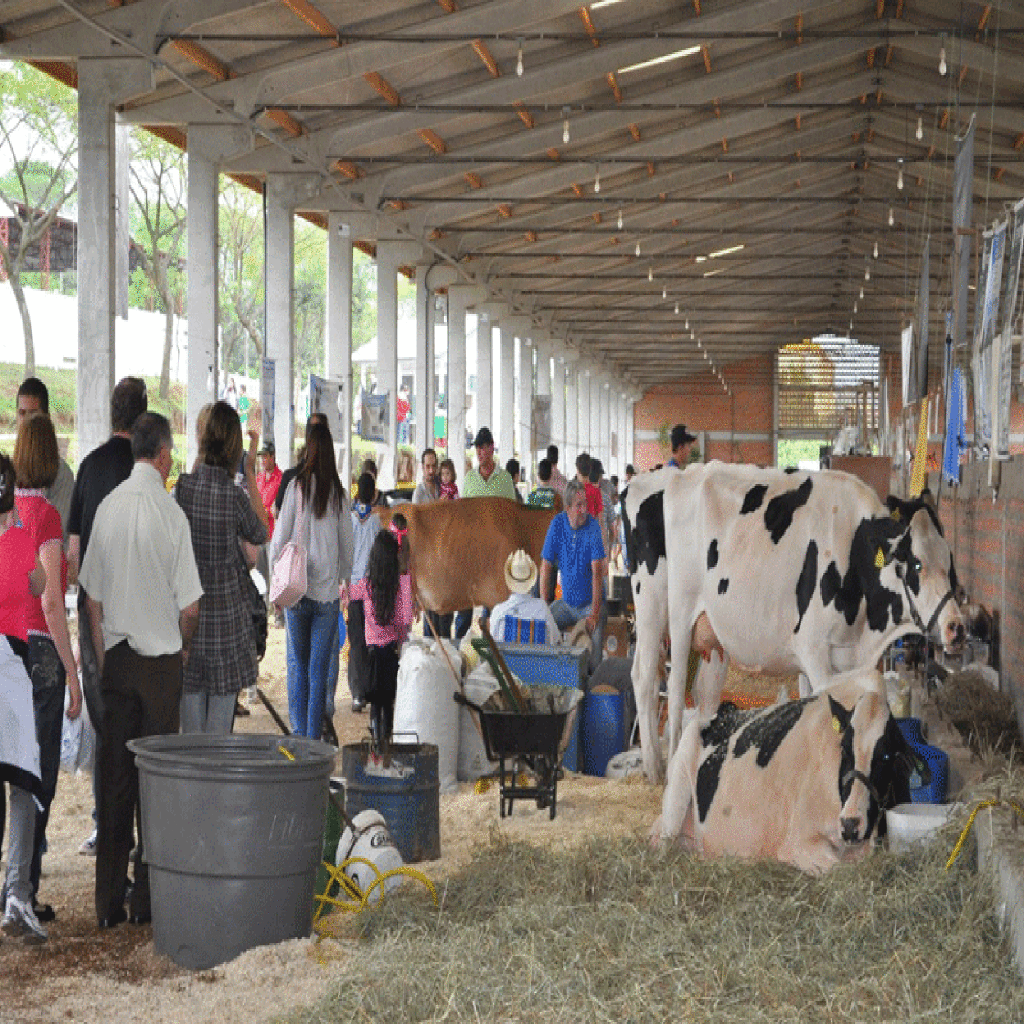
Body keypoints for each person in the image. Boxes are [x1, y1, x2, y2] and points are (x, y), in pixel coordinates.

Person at [79, 412, 203, 929]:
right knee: (156, 788)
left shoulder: (108, 508)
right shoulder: (171, 515)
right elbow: (190, 607)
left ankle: (107, 902)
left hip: (119, 663)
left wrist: (105, 655)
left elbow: (91, 600)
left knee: (115, 786)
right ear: (163, 454)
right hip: (161, 669)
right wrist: (183, 649)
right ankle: (146, 903)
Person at [67, 376, 148, 857]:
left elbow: (73, 552)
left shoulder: (90, 467)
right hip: (139, 616)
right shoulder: (146, 472)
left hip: (95, 612)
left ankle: (106, 827)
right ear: (142, 418)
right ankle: (142, 833)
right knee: (139, 724)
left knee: (105, 724)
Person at [13, 414, 82, 922]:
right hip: (39, 653)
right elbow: (53, 604)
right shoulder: (46, 519)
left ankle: (12, 885)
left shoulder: (6, 513)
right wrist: (72, 670)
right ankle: (24, 888)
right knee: (38, 778)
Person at [174, 402, 268, 734]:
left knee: (191, 736)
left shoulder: (183, 489)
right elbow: (261, 531)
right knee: (218, 739)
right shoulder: (234, 497)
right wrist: (250, 473)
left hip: (188, 622)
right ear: (234, 447)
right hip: (227, 628)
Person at [270, 419, 354, 740]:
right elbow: (348, 547)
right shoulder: (339, 496)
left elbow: (279, 540)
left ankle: (299, 732)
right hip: (326, 598)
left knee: (298, 666)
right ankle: (312, 740)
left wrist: (277, 578)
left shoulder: (297, 488)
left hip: (297, 593)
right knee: (319, 671)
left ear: (309, 450)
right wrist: (343, 578)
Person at [0, 452, 50, 944]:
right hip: (12, 669)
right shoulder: (18, 541)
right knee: (21, 783)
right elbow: (40, 583)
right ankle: (16, 894)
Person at [346, 521, 413, 755]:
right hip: (392, 653)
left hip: (371, 655)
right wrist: (405, 578)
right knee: (389, 702)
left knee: (375, 703)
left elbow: (349, 594)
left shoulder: (366, 586)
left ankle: (375, 741)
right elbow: (406, 618)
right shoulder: (398, 586)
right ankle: (387, 740)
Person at [540, 479, 607, 673]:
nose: (584, 509)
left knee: (594, 658)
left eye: (585, 503)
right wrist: (544, 605)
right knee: (543, 627)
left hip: (591, 604)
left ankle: (592, 683)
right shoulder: (557, 524)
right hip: (567, 604)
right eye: (579, 505)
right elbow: (546, 565)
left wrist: (594, 613)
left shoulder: (593, 526)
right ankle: (553, 676)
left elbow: (597, 573)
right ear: (567, 507)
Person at [17, 377, 74, 546]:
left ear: (46, 419)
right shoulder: (7, 469)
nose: (26, 421)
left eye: (33, 414)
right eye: (22, 413)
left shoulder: (61, 474)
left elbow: (56, 534)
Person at [347, 471, 381, 713]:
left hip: (353, 589)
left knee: (356, 641)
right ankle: (372, 689)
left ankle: (358, 694)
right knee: (374, 640)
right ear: (374, 494)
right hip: (372, 589)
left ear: (357, 492)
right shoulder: (377, 522)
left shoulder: (348, 520)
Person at [489, 550, 560, 646]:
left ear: (509, 583)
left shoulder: (499, 611)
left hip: (505, 656)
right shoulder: (542, 609)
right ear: (532, 582)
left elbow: (492, 644)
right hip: (538, 656)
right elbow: (556, 640)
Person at [464, 427, 515, 499]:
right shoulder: (469, 477)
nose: (478, 452)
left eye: (482, 447)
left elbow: (511, 506)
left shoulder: (506, 478)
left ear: (491, 448)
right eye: (476, 448)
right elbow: (463, 505)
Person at [256, 440, 282, 540]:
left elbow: (282, 508)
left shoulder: (281, 479)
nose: (262, 460)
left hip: (273, 535)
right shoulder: (259, 477)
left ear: (272, 456)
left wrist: (266, 512)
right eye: (261, 457)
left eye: (265, 456)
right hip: (257, 533)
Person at [576, 452, 603, 520]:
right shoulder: (596, 491)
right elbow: (600, 518)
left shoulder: (573, 491)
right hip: (591, 526)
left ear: (577, 471)